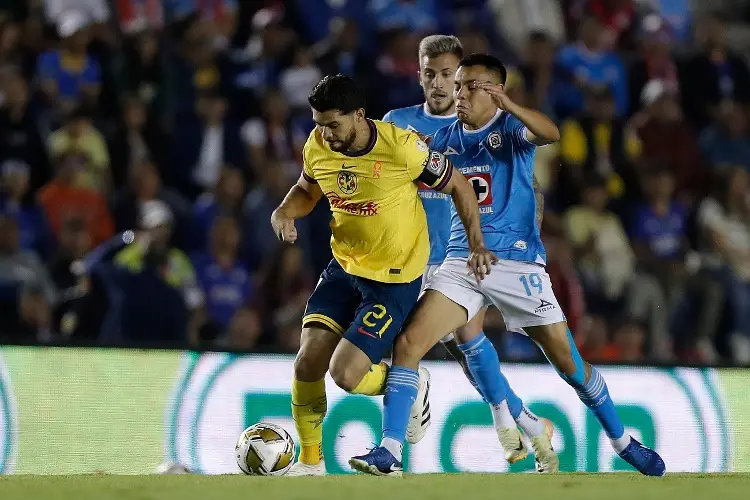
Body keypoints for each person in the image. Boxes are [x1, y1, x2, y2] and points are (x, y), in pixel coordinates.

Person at [350, 54, 666, 477]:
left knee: (571, 367)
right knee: (408, 345)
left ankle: (622, 442)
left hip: (517, 265)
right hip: (463, 263)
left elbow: (550, 132)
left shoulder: (511, 130)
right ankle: (389, 450)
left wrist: (510, 105)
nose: (459, 93)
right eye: (458, 85)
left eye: (469, 85)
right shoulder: (443, 139)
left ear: (494, 91)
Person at [270, 74, 491, 476]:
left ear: (359, 115)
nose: (325, 133)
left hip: (393, 280)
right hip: (344, 268)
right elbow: (307, 189)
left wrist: (475, 244)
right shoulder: (318, 145)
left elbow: (459, 184)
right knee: (306, 362)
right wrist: (284, 211)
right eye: (318, 123)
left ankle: (407, 382)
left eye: (333, 124)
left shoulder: (401, 148)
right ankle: (311, 464)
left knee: (345, 374)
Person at [382, 35, 556, 469]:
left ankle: (507, 425)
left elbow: (524, 184)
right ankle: (524, 423)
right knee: (460, 348)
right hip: (410, 255)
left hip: (459, 254)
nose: (440, 85)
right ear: (418, 75)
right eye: (430, 75)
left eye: (449, 76)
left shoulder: (492, 129)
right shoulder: (398, 123)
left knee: (467, 341)